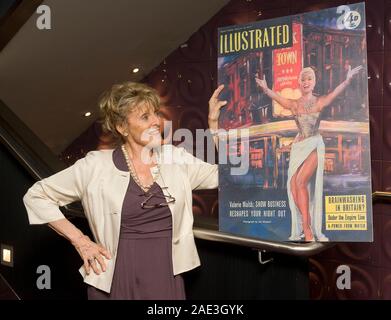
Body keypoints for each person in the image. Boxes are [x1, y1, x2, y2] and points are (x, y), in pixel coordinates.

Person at [23, 82, 227, 299]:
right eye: (145, 117)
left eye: (156, 114)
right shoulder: (95, 166)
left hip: (165, 275)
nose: (157, 121)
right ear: (122, 127)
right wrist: (81, 241)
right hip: (115, 276)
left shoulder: (175, 158)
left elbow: (227, 179)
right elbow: (36, 196)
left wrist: (215, 126)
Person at [255, 65, 362, 241]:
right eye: (303, 79)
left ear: (314, 82)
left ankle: (308, 229)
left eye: (309, 79)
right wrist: (266, 89)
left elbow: (335, 92)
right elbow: (278, 97)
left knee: (300, 181)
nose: (306, 82)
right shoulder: (294, 104)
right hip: (299, 146)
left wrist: (348, 79)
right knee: (292, 186)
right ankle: (306, 224)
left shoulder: (320, 101)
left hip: (314, 144)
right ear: (299, 82)